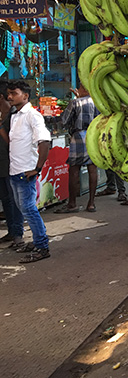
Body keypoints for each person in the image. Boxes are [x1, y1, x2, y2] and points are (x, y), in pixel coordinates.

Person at [7, 81, 51, 263]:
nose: (10, 97)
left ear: (25, 95)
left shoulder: (33, 116)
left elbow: (44, 141)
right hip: (15, 171)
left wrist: (37, 168)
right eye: (8, 93)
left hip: (26, 172)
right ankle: (36, 241)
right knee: (23, 208)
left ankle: (42, 246)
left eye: (13, 93)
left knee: (29, 209)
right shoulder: (15, 116)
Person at [55, 85, 99, 213]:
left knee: (74, 170)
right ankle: (91, 203)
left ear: (84, 90)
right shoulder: (97, 103)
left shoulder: (75, 103)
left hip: (78, 136)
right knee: (93, 170)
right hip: (93, 136)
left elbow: (64, 120)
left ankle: (72, 203)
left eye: (79, 88)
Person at [0, 82, 24, 247]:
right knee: (6, 198)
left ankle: (18, 234)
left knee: (14, 199)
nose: (10, 97)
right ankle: (12, 231)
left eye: (12, 93)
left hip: (12, 162)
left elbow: (13, 142)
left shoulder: (14, 115)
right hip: (2, 162)